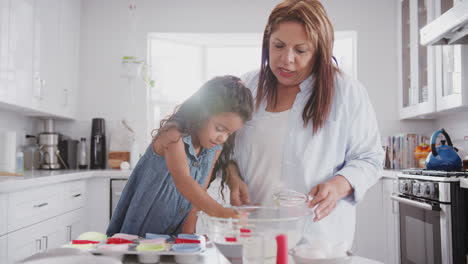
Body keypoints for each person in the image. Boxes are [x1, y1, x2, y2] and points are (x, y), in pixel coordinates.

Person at [227, 0, 384, 247]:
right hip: (255, 234)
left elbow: (370, 158)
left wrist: (339, 185)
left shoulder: (346, 91)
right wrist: (232, 177)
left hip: (318, 240)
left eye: (300, 50)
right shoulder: (248, 86)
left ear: (319, 51)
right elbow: (226, 150)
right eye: (278, 46)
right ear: (267, 41)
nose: (286, 59)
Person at [107, 75, 254, 237]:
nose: (223, 138)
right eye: (219, 128)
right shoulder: (173, 135)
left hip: (173, 236)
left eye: (229, 133)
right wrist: (222, 213)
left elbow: (198, 195)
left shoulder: (215, 148)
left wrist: (188, 235)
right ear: (202, 112)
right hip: (140, 233)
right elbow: (184, 182)